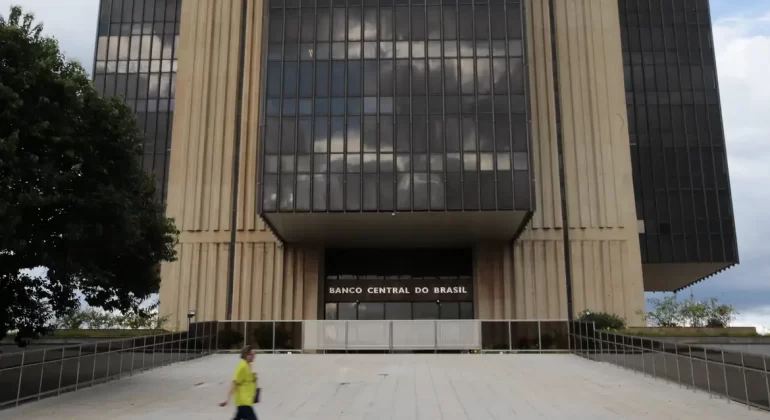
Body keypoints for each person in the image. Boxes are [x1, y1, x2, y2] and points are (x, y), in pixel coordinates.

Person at [219, 345, 258, 420]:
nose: (254, 356)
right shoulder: (242, 366)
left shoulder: (249, 366)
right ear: (246, 355)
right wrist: (226, 399)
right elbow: (234, 383)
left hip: (246, 401)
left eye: (254, 354)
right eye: (252, 354)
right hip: (243, 402)